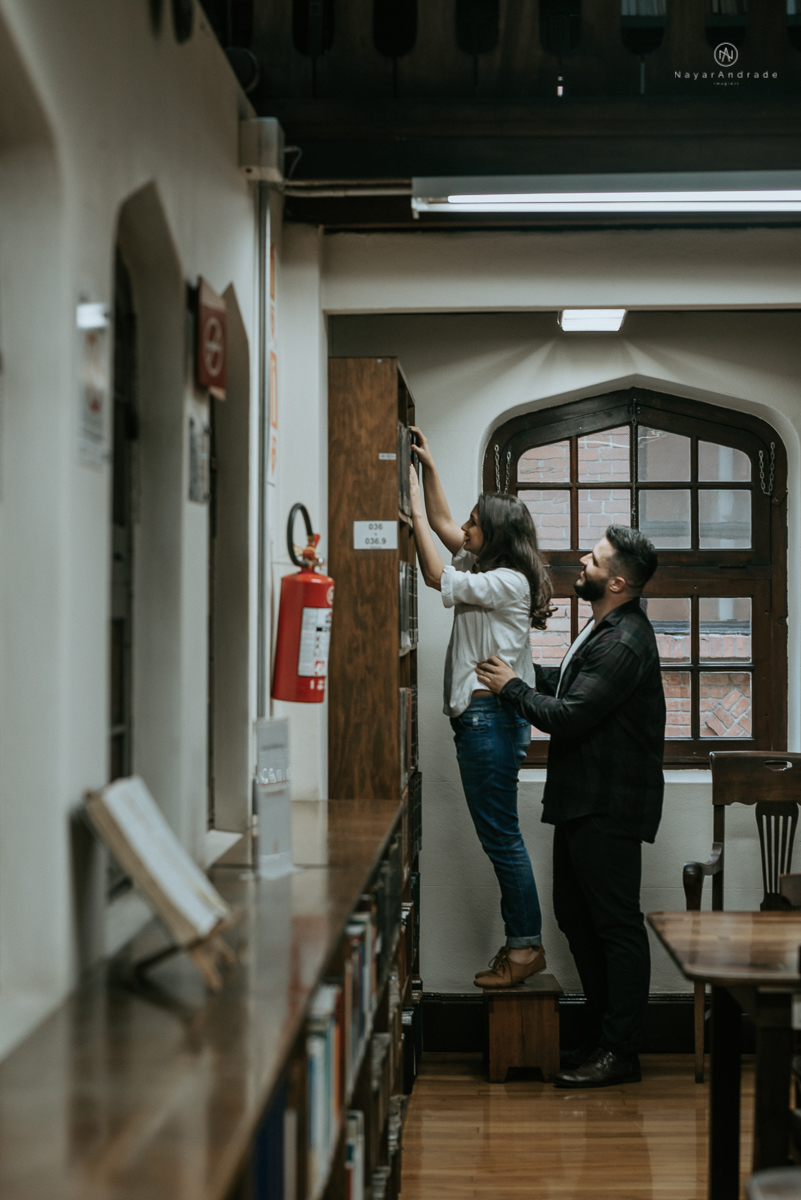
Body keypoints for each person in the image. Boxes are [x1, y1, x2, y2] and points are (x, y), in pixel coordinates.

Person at [476, 524, 665, 1088]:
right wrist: (523, 672)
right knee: (578, 919)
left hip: (608, 805)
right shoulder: (605, 629)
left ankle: (620, 1052)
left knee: (615, 926)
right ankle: (600, 1037)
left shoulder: (625, 640)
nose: (584, 561)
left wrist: (511, 687)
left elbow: (570, 715)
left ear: (618, 581)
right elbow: (568, 685)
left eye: (596, 558)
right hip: (585, 801)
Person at [409, 428, 553, 989]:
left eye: (475, 524)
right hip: (487, 720)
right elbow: (448, 531)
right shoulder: (488, 570)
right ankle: (523, 944)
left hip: (490, 720)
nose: (464, 530)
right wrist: (428, 467)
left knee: (501, 837)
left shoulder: (505, 581)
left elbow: (432, 570)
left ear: (492, 536)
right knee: (501, 835)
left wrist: (412, 510)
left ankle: (525, 949)